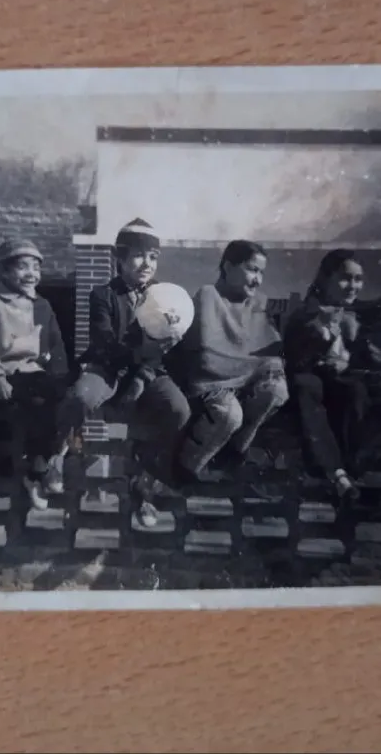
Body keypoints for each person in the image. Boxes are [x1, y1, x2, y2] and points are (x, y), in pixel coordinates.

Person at [58, 218, 191, 527]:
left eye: (153, 257)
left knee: (179, 409)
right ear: (119, 258)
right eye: (138, 255)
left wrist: (173, 339)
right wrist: (141, 352)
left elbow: (170, 342)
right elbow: (105, 342)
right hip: (108, 368)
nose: (147, 263)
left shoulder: (166, 297)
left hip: (148, 371)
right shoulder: (103, 295)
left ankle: (144, 481)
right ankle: (55, 456)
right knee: (80, 396)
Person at [174, 240, 289, 489]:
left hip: (246, 384)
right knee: (229, 414)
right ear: (228, 266)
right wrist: (248, 366)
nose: (258, 280)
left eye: (261, 273)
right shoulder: (208, 295)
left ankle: (236, 449)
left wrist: (260, 369)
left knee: (277, 390)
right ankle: (185, 471)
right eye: (252, 269)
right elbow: (206, 354)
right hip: (211, 383)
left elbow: (270, 352)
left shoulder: (258, 303)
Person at [0, 238, 70, 510]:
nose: (31, 274)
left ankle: (48, 464)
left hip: (33, 374)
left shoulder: (41, 305)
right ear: (4, 272)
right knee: (0, 412)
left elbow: (56, 345)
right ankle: (26, 471)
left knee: (61, 401)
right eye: (22, 267)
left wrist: (60, 377)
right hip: (2, 372)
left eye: (35, 268)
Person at [283, 248, 367, 502]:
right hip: (311, 380)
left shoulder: (359, 315)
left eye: (358, 279)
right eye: (345, 278)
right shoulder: (307, 313)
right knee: (307, 387)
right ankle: (335, 472)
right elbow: (296, 359)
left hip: (342, 383)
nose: (352, 286)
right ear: (325, 278)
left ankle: (350, 469)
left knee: (358, 391)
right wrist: (324, 335)